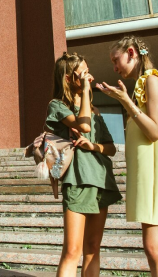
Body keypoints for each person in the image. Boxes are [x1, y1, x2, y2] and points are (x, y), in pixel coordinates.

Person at [96, 36, 158, 277]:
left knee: (153, 247)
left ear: (131, 52)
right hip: (150, 175)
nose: (114, 67)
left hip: (154, 177)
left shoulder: (152, 81)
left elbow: (155, 131)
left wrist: (126, 101)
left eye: (116, 60)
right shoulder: (144, 84)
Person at [47, 52, 121, 277]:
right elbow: (84, 126)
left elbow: (111, 148)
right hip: (77, 179)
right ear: (69, 78)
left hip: (101, 179)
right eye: (84, 73)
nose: (90, 77)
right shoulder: (57, 105)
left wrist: (93, 147)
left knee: (92, 249)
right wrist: (87, 93)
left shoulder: (95, 111)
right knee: (72, 251)